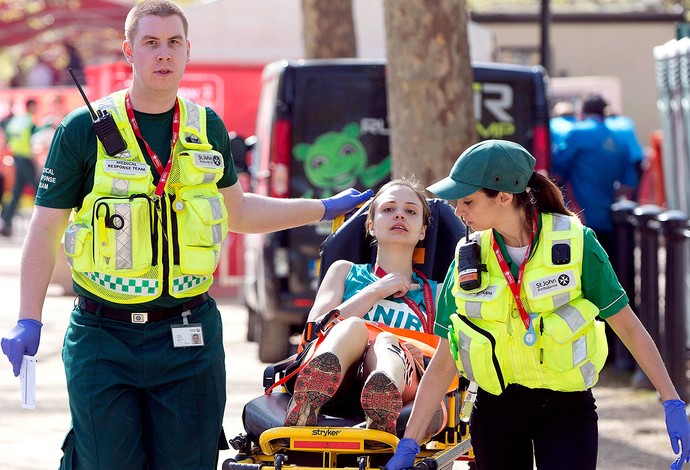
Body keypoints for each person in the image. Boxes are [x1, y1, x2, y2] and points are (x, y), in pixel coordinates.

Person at [0, 2, 371, 469]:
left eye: (173, 42)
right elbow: (46, 226)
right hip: (102, 336)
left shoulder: (206, 127)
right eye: (151, 42)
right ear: (129, 51)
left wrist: (322, 207)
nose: (163, 53)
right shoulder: (84, 128)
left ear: (187, 51)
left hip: (188, 336)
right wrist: (27, 317)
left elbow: (238, 211)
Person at [386, 140, 690, 470]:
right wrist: (410, 442)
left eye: (468, 200)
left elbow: (627, 326)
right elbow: (446, 357)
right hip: (495, 412)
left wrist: (671, 401)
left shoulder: (577, 243)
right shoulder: (465, 260)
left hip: (567, 412)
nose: (458, 210)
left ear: (503, 196)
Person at [283, 178, 438, 434]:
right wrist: (376, 290)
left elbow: (449, 357)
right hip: (340, 381)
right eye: (388, 209)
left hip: (403, 378)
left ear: (422, 230)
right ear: (371, 225)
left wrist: (424, 357)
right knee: (352, 326)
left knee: (387, 342)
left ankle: (381, 406)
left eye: (410, 211)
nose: (399, 214)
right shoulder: (343, 271)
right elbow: (314, 330)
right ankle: (309, 397)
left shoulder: (436, 292)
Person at [552, 93, 638, 267]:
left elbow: (555, 174)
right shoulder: (620, 138)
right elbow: (629, 185)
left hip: (577, 222)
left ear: (582, 112)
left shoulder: (577, 133)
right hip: (609, 222)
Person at [0, 98, 52, 237]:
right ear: (32, 107)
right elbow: (36, 139)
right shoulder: (30, 123)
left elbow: (7, 135)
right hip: (26, 160)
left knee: (17, 192)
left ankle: (6, 222)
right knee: (39, 190)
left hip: (16, 158)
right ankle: (43, 222)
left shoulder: (18, 121)